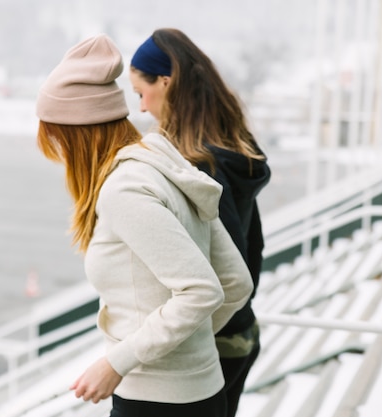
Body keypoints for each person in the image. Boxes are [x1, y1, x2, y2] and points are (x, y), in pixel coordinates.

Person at [35, 33, 254, 417]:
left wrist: (117, 362)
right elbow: (235, 281)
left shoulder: (125, 190)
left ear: (78, 134)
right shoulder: (162, 161)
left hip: (157, 403)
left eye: (58, 141)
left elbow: (202, 292)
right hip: (201, 393)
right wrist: (186, 348)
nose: (60, 155)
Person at [129, 28, 272, 417]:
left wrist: (191, 338)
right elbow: (253, 245)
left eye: (141, 93)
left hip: (217, 344)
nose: (141, 108)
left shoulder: (197, 166)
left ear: (165, 82)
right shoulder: (235, 146)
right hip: (242, 333)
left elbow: (228, 270)